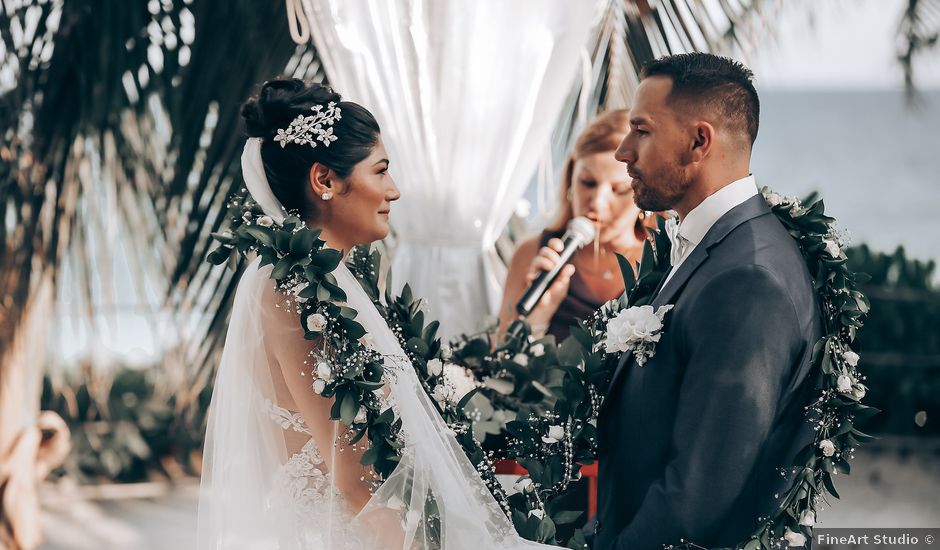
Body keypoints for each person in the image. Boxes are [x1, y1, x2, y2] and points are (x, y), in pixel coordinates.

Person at [197, 78, 560, 550]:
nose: (395, 190)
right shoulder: (299, 291)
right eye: (381, 171)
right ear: (325, 180)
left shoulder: (337, 279)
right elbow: (353, 475)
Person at [592, 54, 822, 550]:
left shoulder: (748, 282)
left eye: (642, 130)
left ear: (699, 141)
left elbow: (695, 498)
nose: (623, 152)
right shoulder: (714, 243)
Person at [498, 110, 649, 342]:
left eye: (618, 189)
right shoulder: (533, 254)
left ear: (643, 191)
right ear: (570, 181)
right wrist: (537, 318)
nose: (597, 202)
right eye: (588, 183)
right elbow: (498, 355)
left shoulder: (664, 261)